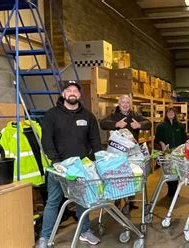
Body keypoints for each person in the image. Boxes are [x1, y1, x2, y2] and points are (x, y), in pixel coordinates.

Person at [37, 81, 102, 248]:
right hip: (59, 168)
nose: (72, 93)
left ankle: (85, 231)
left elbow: (95, 141)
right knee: (53, 201)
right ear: (64, 94)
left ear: (79, 95)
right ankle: (45, 237)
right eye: (69, 90)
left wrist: (96, 161)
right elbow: (47, 140)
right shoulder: (52, 115)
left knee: (82, 201)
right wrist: (55, 161)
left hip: (81, 168)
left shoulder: (88, 116)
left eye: (75, 90)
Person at [99, 94, 152, 209]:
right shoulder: (114, 116)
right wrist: (116, 124)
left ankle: (131, 201)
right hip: (117, 154)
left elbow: (148, 123)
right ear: (119, 104)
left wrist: (140, 125)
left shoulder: (135, 116)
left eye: (127, 102)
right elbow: (102, 123)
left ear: (130, 104)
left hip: (133, 153)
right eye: (123, 102)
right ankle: (117, 202)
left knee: (131, 175)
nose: (125, 105)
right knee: (118, 177)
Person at [154, 107, 187, 196]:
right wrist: (162, 144)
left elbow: (184, 138)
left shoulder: (180, 126)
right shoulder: (161, 126)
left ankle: (175, 189)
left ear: (175, 114)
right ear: (166, 114)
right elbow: (157, 139)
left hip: (177, 153)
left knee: (176, 171)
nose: (171, 113)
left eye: (172, 112)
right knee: (168, 171)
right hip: (167, 153)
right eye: (169, 112)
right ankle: (170, 189)